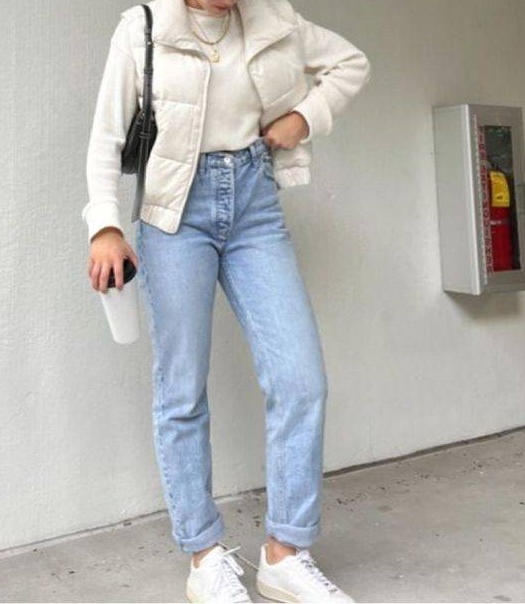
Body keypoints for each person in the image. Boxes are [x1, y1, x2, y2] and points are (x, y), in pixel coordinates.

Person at [83, 0, 371, 601]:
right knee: (182, 389)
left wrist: (306, 117)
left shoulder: (275, 20)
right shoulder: (143, 27)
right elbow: (106, 139)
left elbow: (350, 63)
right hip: (173, 213)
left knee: (300, 379)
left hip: (254, 205)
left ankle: (285, 554)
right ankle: (204, 555)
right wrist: (104, 225)